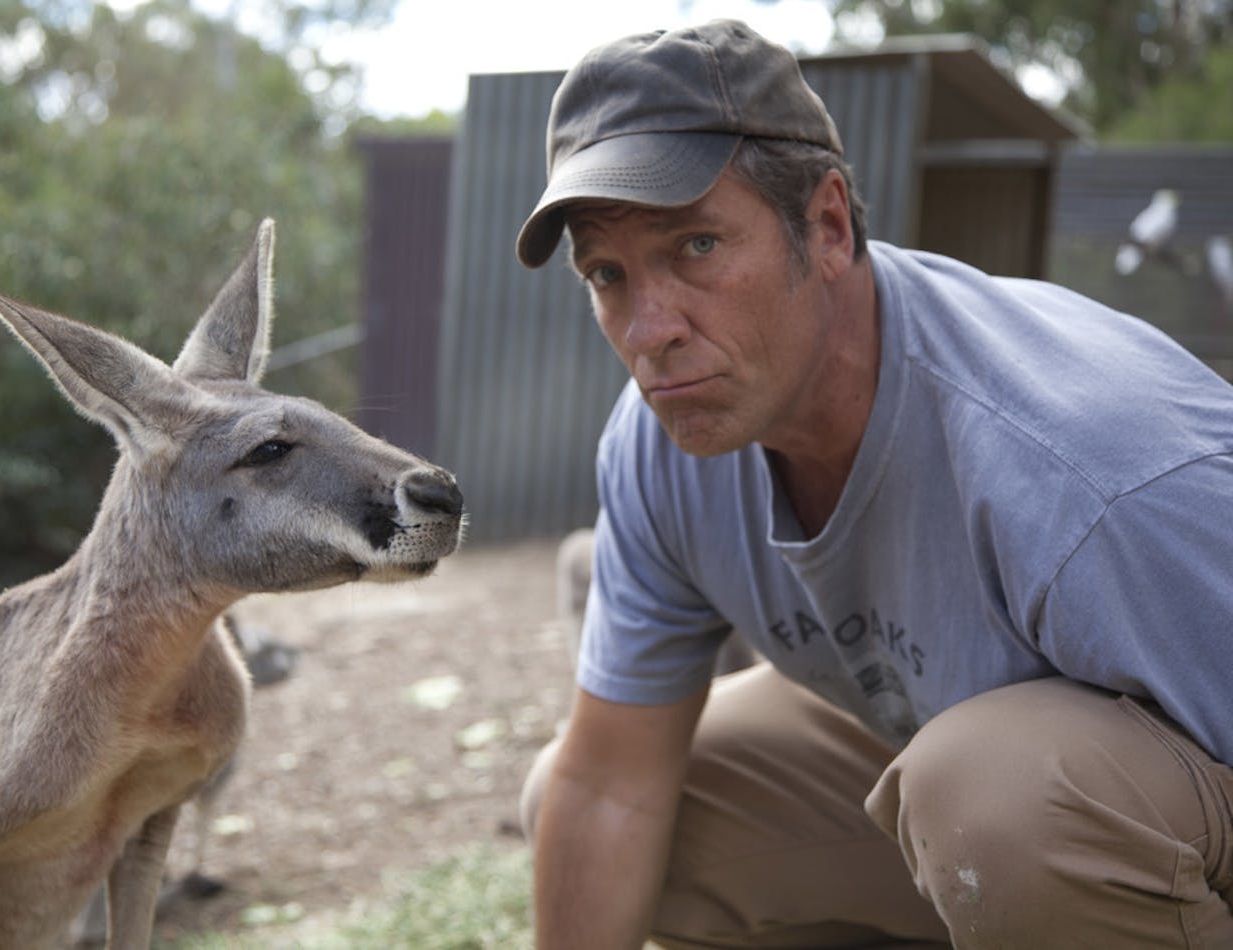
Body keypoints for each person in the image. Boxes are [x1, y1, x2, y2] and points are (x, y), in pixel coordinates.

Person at [513, 19, 1233, 950]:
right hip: (967, 782)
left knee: (990, 801)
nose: (649, 330)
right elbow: (612, 789)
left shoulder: (1087, 465)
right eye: (609, 274)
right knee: (592, 803)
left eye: (694, 247)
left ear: (827, 224)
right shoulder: (660, 447)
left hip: (1149, 813)